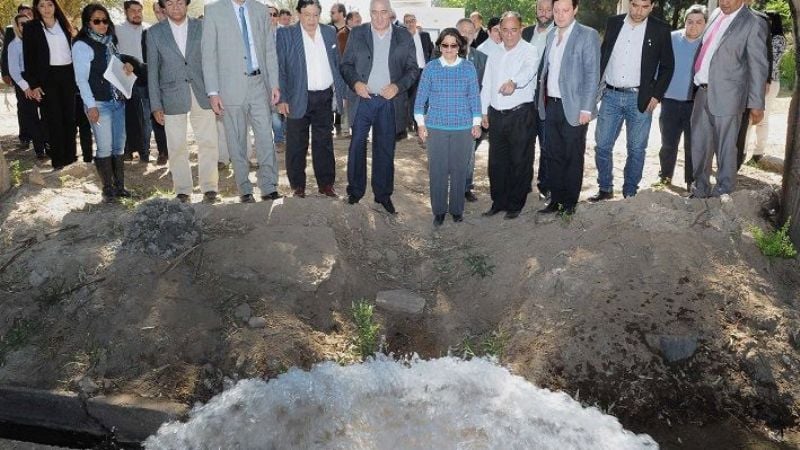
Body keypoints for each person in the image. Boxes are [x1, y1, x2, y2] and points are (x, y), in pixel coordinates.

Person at [339, 0, 418, 214]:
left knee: (384, 149)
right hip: (363, 99)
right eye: (374, 13)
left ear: (390, 13)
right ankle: (355, 192)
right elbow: (345, 65)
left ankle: (383, 195)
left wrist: (397, 86)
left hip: (388, 102)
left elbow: (412, 70)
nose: (379, 17)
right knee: (356, 146)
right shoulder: (358, 33)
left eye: (384, 12)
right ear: (369, 14)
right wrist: (356, 83)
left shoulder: (403, 36)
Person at [590, 0, 673, 202]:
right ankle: (605, 188)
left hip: (641, 98)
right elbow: (604, 54)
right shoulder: (614, 22)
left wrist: (656, 95)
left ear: (652, 6)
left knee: (636, 149)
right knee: (602, 145)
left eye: (644, 7)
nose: (638, 11)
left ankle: (630, 193)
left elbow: (668, 66)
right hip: (610, 95)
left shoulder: (660, 29)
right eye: (635, 5)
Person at [202, 0, 282, 203]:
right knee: (236, 141)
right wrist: (213, 92)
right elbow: (208, 55)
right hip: (229, 88)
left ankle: (269, 185)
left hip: (259, 84)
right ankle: (244, 188)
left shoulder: (260, 10)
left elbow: (269, 49)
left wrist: (274, 83)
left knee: (265, 136)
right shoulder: (213, 11)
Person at [690, 0, 769, 198]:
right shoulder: (716, 13)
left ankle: (723, 194)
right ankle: (699, 190)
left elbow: (758, 66)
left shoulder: (753, 22)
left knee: (725, 149)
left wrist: (757, 104)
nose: (724, 2)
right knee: (699, 146)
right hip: (702, 92)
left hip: (729, 96)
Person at [148, 0, 219, 204]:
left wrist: (216, 92)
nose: (176, 7)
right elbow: (153, 71)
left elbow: (212, 60)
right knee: (176, 144)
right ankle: (183, 190)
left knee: (208, 141)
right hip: (171, 94)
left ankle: (210, 187)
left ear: (187, 4)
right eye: (170, 3)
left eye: (180, 2)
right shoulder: (154, 33)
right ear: (163, 8)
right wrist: (156, 105)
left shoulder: (202, 27)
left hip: (202, 91)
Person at [276, 0, 346, 198]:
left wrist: (340, 92)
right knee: (296, 143)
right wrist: (282, 98)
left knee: (324, 142)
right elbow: (280, 68)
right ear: (298, 13)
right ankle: (298, 186)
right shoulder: (286, 34)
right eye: (307, 14)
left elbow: (336, 64)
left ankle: (326, 184)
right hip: (297, 96)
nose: (311, 19)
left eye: (315, 14)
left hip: (324, 96)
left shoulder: (329, 32)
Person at [536, 0, 600, 216]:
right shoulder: (551, 35)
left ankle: (569, 204)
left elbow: (592, 74)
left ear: (575, 10)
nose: (560, 15)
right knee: (552, 154)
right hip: (551, 104)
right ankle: (556, 199)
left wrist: (587, 108)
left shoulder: (587, 35)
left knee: (572, 155)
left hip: (574, 107)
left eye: (565, 10)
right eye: (556, 11)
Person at [414, 28, 481, 227]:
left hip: (463, 128)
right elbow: (420, 101)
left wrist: (476, 124)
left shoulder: (468, 68)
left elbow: (474, 99)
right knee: (438, 170)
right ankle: (439, 211)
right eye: (445, 45)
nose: (449, 49)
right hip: (436, 127)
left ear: (459, 46)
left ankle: (457, 210)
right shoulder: (431, 68)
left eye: (453, 45)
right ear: (439, 46)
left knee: (460, 170)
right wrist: (420, 124)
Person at [73, 3, 137, 202]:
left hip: (117, 100)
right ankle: (107, 188)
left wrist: (126, 65)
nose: (102, 24)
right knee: (105, 146)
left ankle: (120, 187)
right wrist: (90, 105)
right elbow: (81, 79)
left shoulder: (110, 41)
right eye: (97, 21)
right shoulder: (82, 45)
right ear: (88, 24)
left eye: (105, 20)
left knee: (119, 146)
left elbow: (115, 67)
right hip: (99, 103)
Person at [480, 12, 539, 220]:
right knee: (497, 162)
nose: (509, 34)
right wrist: (483, 111)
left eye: (514, 30)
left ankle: (516, 203)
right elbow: (487, 83)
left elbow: (528, 70)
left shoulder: (530, 51)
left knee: (519, 160)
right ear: (499, 31)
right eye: (505, 30)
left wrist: (514, 82)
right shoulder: (494, 53)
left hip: (520, 114)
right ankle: (499, 202)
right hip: (496, 115)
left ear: (521, 29)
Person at [655, 5, 706, 191]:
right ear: (685, 22)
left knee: (692, 145)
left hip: (695, 103)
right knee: (668, 144)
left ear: (705, 24)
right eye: (690, 21)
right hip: (669, 101)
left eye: (699, 22)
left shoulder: (708, 44)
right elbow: (658, 65)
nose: (693, 26)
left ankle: (691, 181)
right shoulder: (671, 39)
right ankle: (665, 177)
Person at [23, 0, 77, 171]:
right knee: (53, 118)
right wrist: (34, 84)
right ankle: (58, 159)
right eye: (42, 5)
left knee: (69, 116)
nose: (46, 9)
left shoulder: (65, 23)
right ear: (36, 8)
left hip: (68, 74)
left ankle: (71, 155)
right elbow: (28, 58)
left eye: (49, 4)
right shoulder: (32, 27)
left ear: (55, 6)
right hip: (47, 77)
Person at [742, 11, 786, 165]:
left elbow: (767, 60)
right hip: (755, 81)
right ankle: (742, 151)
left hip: (769, 82)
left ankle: (758, 152)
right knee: (746, 118)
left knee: (762, 119)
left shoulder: (778, 40)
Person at [522, 0, 553, 199]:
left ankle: (545, 185)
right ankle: (523, 184)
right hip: (524, 97)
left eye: (547, 10)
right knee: (523, 143)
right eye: (540, 9)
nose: (543, 13)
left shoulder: (559, 34)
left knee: (546, 144)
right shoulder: (525, 33)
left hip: (547, 98)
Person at [7, 13, 46, 159]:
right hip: (23, 82)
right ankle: (39, 149)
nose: (25, 26)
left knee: (47, 114)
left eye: (27, 23)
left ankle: (47, 143)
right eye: (22, 24)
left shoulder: (38, 41)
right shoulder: (13, 45)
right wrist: (26, 88)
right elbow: (14, 70)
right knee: (31, 116)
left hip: (39, 80)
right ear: (17, 26)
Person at [117, 0, 152, 163]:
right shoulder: (117, 30)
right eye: (133, 11)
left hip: (145, 78)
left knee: (145, 117)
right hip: (124, 80)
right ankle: (127, 150)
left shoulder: (149, 29)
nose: (137, 14)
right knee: (126, 116)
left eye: (139, 10)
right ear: (126, 12)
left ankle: (145, 152)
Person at [456, 17, 487, 203]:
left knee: (469, 154)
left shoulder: (481, 59)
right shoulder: (442, 55)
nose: (466, 35)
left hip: (471, 114)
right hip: (448, 114)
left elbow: (485, 87)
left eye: (470, 32)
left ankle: (466, 187)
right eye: (462, 32)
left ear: (475, 35)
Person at [141, 1, 170, 165]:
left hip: (176, 86)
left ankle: (174, 151)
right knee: (157, 119)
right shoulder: (148, 34)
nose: (161, 15)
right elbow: (148, 62)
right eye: (157, 12)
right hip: (156, 84)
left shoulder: (179, 30)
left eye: (163, 11)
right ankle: (163, 152)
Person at [2, 5, 34, 149]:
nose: (26, 15)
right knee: (23, 106)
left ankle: (41, 137)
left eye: (28, 13)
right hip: (19, 74)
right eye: (22, 14)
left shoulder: (38, 27)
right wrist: (5, 72)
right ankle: (25, 136)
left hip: (37, 75)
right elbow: (5, 53)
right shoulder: (10, 30)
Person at [403, 13, 433, 136]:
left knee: (421, 98)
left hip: (422, 71)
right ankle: (408, 123)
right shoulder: (401, 37)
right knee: (409, 98)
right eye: (407, 21)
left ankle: (417, 125)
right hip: (408, 72)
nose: (410, 23)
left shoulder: (424, 36)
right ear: (404, 24)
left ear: (416, 22)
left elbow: (431, 51)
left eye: (412, 20)